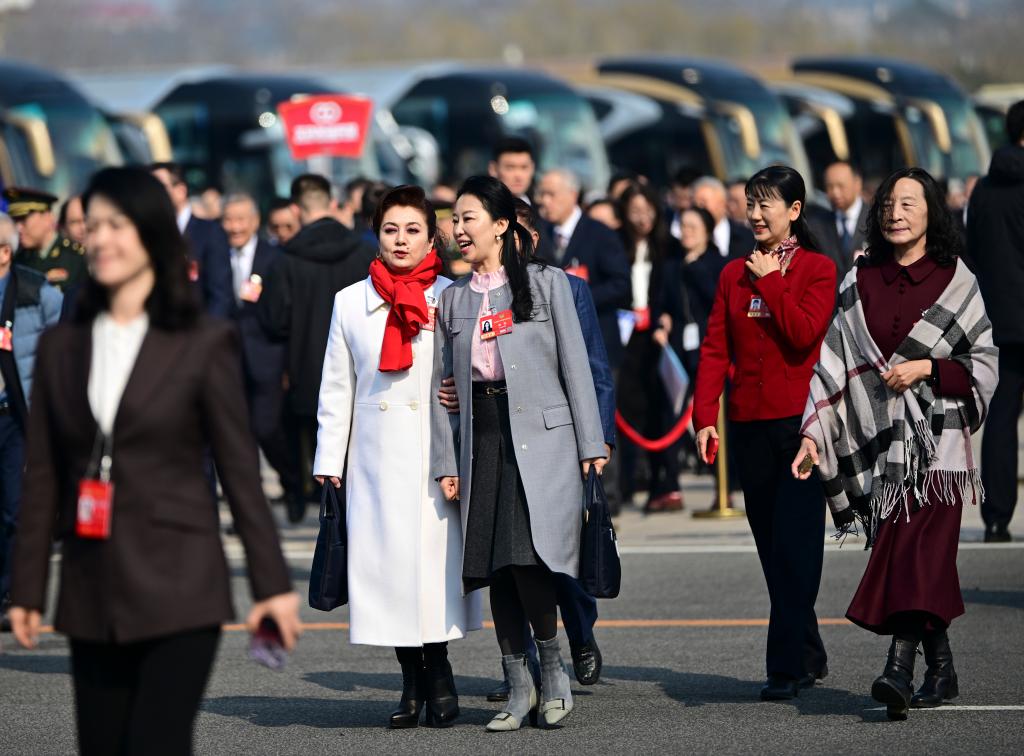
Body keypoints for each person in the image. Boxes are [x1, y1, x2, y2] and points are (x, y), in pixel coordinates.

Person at [6, 167, 300, 754]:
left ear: (152, 234)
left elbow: (240, 471)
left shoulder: (202, 341)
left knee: (156, 741)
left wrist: (271, 585)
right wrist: (28, 587)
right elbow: (43, 474)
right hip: (91, 585)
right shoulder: (65, 345)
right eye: (93, 226)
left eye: (118, 225)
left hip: (181, 583)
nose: (102, 239)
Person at [796, 167, 998, 721]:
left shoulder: (957, 279)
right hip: (879, 447)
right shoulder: (861, 278)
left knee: (912, 552)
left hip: (939, 446)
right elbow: (832, 364)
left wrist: (927, 368)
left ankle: (899, 670)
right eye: (888, 202)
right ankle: (942, 668)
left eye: (909, 203)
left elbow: (983, 364)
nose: (895, 212)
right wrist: (813, 433)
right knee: (920, 560)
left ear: (932, 211)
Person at [431, 175, 606, 732]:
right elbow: (442, 388)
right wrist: (446, 462)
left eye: (469, 218)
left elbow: (577, 367)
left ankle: (552, 672)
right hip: (481, 439)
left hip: (540, 439)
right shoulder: (452, 298)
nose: (459, 230)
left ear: (502, 225)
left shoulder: (548, 284)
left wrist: (591, 444)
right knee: (494, 566)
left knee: (527, 558)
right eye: (455, 220)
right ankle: (518, 684)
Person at [312, 184, 480, 728]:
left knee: (434, 573)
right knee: (387, 575)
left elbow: (480, 366)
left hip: (436, 456)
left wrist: (460, 391)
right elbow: (336, 387)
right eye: (390, 230)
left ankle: (440, 671)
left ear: (432, 238)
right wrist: (329, 463)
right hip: (374, 459)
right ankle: (410, 680)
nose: (401, 240)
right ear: (376, 236)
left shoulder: (453, 295)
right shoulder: (349, 301)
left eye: (412, 230)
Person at [693, 165, 836, 701]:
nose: (755, 214)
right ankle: (808, 649)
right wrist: (704, 416)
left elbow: (803, 334)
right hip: (749, 426)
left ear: (794, 210)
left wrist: (772, 280)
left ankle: (785, 666)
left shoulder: (819, 269)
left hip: (802, 428)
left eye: (766, 203)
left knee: (797, 546)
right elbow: (715, 349)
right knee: (772, 549)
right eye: (750, 203)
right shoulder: (733, 274)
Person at [258, 174, 376, 522]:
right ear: (332, 203)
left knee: (312, 443)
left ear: (296, 209)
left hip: (305, 368)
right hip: (361, 366)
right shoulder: (364, 251)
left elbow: (274, 320)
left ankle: (306, 498)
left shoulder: (285, 258)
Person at [0, 213, 62, 628]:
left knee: (14, 508)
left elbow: (62, 351)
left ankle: (11, 593)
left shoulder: (37, 291)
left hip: (17, 416)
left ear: (5, 253)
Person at [967, 99, 1024, 543]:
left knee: (1001, 418)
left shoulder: (983, 190)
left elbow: (973, 251)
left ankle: (996, 517)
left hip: (999, 321)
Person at [220, 193, 299, 513]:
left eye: (241, 219)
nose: (234, 226)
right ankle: (247, 506)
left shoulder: (274, 257)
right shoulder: (215, 255)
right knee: (237, 438)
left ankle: (292, 481)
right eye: (228, 219)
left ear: (254, 222)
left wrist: (288, 365)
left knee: (267, 428)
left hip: (266, 357)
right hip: (227, 360)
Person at [615, 182, 685, 512]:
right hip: (626, 335)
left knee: (662, 408)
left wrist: (667, 317)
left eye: (647, 211)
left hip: (657, 335)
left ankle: (665, 481)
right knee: (628, 406)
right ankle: (628, 481)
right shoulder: (616, 244)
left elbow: (675, 291)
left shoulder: (669, 247)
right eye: (634, 211)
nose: (642, 218)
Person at [536, 168, 631, 370]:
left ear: (572, 195)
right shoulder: (540, 233)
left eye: (551, 194)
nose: (544, 201)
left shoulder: (600, 233)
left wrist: (577, 298)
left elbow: (620, 283)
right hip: (555, 348)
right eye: (542, 194)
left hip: (597, 341)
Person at [150, 162, 234, 319]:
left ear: (180, 191)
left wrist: (208, 332)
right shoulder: (148, 235)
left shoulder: (209, 232)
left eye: (159, 187)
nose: (151, 194)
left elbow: (220, 295)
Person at [5, 187, 85, 291]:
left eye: (24, 219)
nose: (18, 227)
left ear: (47, 217)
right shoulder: (18, 260)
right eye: (15, 221)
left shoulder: (76, 257)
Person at [807, 161, 870, 277]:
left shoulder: (876, 219)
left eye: (841, 186)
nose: (835, 193)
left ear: (857, 184)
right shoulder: (816, 226)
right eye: (830, 187)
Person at [692, 176, 756, 260]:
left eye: (703, 202)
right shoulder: (690, 242)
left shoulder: (749, 236)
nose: (699, 208)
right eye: (695, 204)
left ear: (722, 202)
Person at [488, 136, 536, 202]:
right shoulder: (482, 206)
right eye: (510, 168)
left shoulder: (542, 207)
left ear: (532, 168)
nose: (518, 176)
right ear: (493, 169)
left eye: (524, 167)